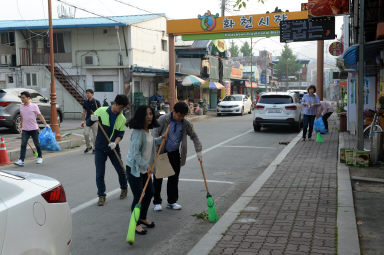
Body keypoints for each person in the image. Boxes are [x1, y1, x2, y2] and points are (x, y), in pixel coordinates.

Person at [152, 102, 202, 211]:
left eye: (183, 116)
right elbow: (154, 133)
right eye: (179, 115)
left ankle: (172, 201)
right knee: (158, 178)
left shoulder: (185, 123)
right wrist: (157, 145)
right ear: (173, 111)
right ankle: (157, 202)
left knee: (174, 178)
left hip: (175, 152)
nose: (180, 118)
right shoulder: (163, 119)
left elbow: (194, 137)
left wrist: (199, 151)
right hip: (162, 152)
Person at [126, 105, 164, 235]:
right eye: (147, 114)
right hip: (135, 169)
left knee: (150, 193)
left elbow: (151, 143)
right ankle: (135, 223)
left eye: (151, 114)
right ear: (141, 116)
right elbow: (136, 154)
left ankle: (142, 217)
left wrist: (160, 139)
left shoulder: (147, 131)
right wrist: (147, 166)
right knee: (138, 196)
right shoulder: (138, 132)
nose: (150, 116)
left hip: (145, 168)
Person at [89, 94, 129, 206]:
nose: (121, 110)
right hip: (100, 148)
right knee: (99, 173)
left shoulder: (122, 118)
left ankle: (124, 188)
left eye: (123, 108)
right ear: (115, 103)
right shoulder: (101, 111)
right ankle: (101, 195)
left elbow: (120, 134)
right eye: (120, 107)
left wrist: (115, 143)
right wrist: (92, 119)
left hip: (113, 147)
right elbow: (88, 122)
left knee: (121, 169)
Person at [14, 91, 49, 166]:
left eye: (23, 98)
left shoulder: (34, 106)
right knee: (23, 145)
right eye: (21, 98)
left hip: (34, 129)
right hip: (25, 130)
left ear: (28, 98)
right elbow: (22, 117)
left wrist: (46, 124)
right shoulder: (21, 106)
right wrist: (21, 126)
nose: (22, 99)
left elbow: (40, 115)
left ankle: (40, 157)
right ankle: (21, 160)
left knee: (37, 144)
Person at [81, 89, 101, 154]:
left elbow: (100, 111)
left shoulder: (96, 101)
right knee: (86, 133)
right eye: (86, 93)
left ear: (92, 94)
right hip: (88, 120)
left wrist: (99, 119)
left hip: (95, 121)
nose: (87, 94)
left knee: (95, 136)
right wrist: (82, 121)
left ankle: (95, 148)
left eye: (88, 93)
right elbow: (84, 112)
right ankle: (89, 146)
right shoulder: (85, 102)